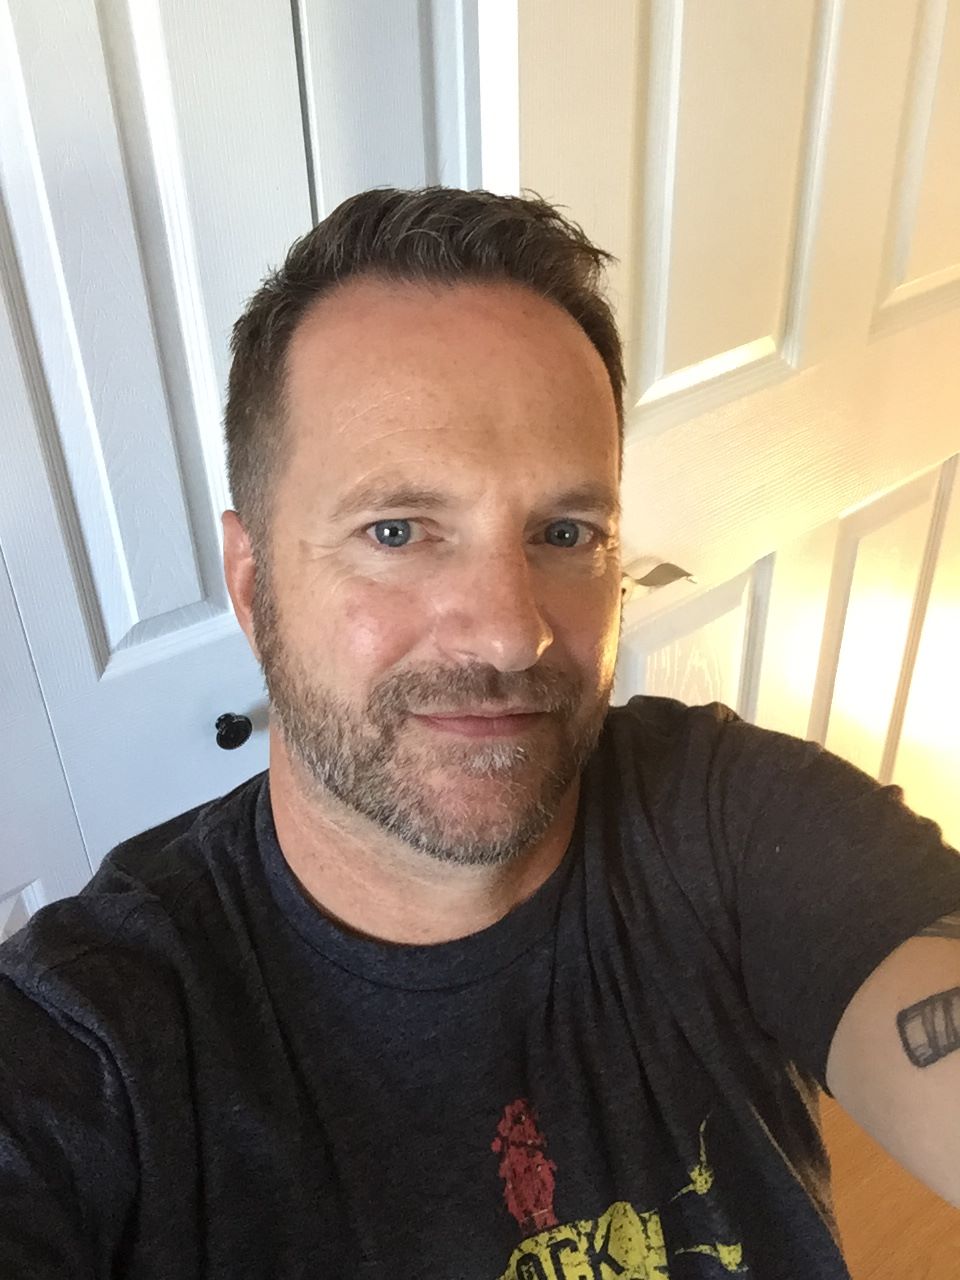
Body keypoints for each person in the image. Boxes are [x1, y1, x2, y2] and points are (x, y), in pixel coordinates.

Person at [1, 187, 959, 1280]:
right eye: (397, 531)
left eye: (566, 532)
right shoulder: (92, 1035)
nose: (511, 631)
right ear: (254, 584)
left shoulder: (734, 823)